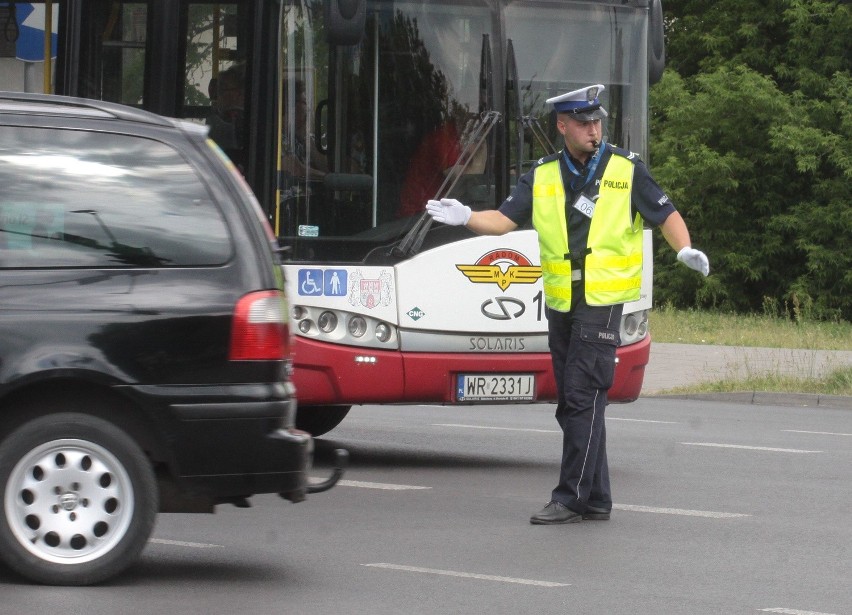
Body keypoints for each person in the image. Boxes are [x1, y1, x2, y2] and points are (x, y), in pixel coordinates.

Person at [425, 84, 709, 525]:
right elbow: (502, 221)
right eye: (583, 122)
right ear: (563, 126)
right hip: (562, 301)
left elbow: (665, 213)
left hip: (603, 298)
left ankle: (570, 496)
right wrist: (466, 217)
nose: (593, 129)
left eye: (597, 121)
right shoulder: (542, 174)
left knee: (580, 395)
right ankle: (597, 497)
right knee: (578, 400)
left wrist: (683, 248)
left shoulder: (625, 169)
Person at [206, 64, 246, 170]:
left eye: (223, 89)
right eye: (219, 90)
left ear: (239, 93)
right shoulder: (217, 120)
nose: (218, 95)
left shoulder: (244, 121)